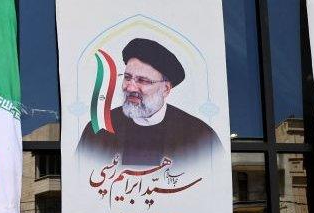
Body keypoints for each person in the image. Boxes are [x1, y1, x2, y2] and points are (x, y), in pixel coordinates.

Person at [77, 38, 222, 168]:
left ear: (165, 89)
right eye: (127, 78)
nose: (130, 87)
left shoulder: (201, 137)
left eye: (143, 80)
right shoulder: (98, 130)